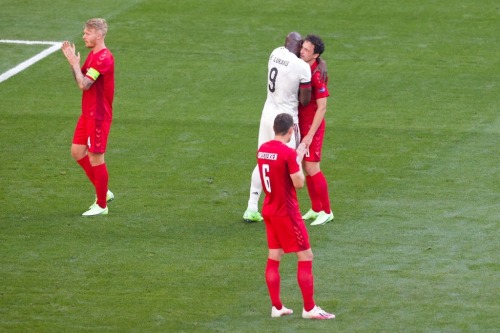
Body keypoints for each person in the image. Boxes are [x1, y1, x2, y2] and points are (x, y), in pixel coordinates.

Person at [258, 113, 335, 319]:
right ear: (291, 131)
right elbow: (299, 183)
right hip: (287, 212)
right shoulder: (288, 153)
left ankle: (276, 306)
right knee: (306, 256)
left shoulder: (263, 149)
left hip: (269, 209)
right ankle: (309, 309)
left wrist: (294, 157)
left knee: (274, 256)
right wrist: (297, 159)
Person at [242, 32, 312, 223]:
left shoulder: (275, 53)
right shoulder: (302, 66)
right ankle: (286, 210)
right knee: (290, 163)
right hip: (286, 118)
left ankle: (251, 207)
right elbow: (305, 100)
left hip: (267, 115)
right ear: (298, 46)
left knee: (263, 159)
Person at [61, 18, 115, 216]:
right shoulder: (93, 55)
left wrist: (75, 63)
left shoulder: (104, 58)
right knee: (77, 151)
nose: (83, 36)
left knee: (95, 156)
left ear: (98, 35)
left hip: (98, 117)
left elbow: (85, 84)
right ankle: (104, 192)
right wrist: (73, 64)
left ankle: (102, 205)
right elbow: (80, 78)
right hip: (87, 114)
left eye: (87, 33)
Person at [298, 34, 333, 226]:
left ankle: (327, 211)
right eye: (302, 47)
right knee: (306, 167)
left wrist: (310, 135)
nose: (301, 51)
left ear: (316, 54)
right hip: (301, 124)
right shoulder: (303, 63)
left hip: (313, 127)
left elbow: (322, 107)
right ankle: (316, 208)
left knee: (312, 167)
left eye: (306, 50)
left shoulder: (318, 74)